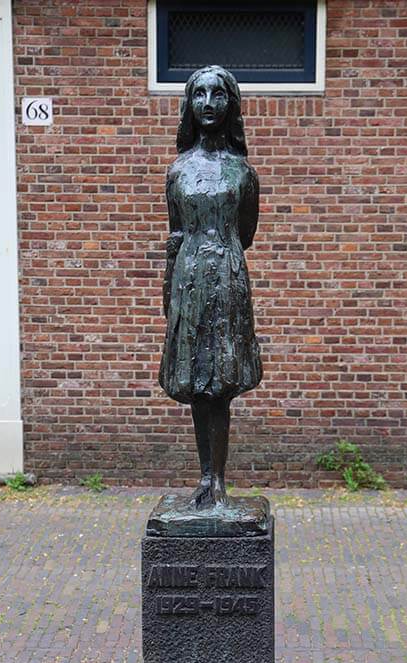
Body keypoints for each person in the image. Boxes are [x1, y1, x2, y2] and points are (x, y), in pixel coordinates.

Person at [159, 65, 262, 509]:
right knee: (197, 382)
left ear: (230, 104)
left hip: (226, 279)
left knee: (221, 381)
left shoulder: (242, 172)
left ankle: (218, 481)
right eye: (198, 94)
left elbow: (247, 232)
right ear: (188, 103)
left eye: (217, 95)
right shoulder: (178, 170)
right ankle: (205, 477)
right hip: (188, 280)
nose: (207, 103)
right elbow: (176, 230)